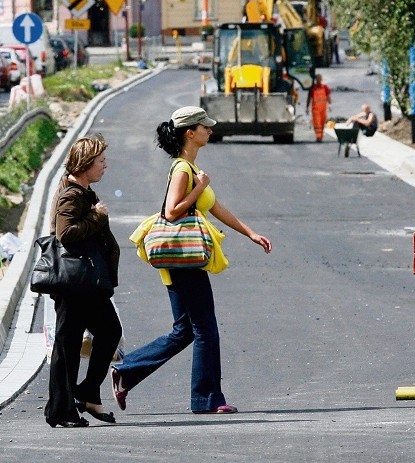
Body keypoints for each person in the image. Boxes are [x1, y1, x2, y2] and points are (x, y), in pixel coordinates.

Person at [111, 106, 272, 415]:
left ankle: (126, 370)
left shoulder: (189, 167)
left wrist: (250, 233)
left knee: (184, 330)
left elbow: (216, 208)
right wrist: (199, 185)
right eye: (204, 127)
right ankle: (207, 399)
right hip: (183, 259)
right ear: (190, 132)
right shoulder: (183, 170)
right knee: (206, 331)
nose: (209, 130)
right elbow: (172, 211)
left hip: (181, 260)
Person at [45, 136, 122, 428]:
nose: (105, 165)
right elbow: (64, 233)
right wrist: (96, 216)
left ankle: (87, 392)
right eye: (100, 161)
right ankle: (61, 410)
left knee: (107, 331)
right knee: (68, 344)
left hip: (86, 282)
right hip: (74, 281)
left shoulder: (82, 190)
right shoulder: (72, 195)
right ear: (86, 164)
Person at [306, 74, 331, 142]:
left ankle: (321, 135)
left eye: (320, 79)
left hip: (323, 108)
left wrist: (330, 105)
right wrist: (307, 107)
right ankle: (318, 136)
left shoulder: (325, 87)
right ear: (315, 80)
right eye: (317, 79)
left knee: (323, 122)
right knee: (317, 122)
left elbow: (328, 96)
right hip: (315, 109)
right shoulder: (312, 88)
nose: (319, 80)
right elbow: (309, 98)